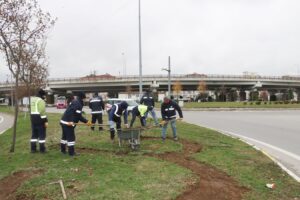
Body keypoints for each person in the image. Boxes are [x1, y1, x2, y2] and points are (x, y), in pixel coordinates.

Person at [60, 92, 91, 156]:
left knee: (64, 137)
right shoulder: (78, 104)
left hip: (63, 121)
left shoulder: (75, 101)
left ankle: (63, 150)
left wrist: (86, 121)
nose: (85, 100)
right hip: (68, 123)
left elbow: (77, 115)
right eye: (85, 98)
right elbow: (73, 114)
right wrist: (70, 121)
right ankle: (71, 153)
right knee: (71, 137)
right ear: (82, 98)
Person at [30, 89, 48, 153]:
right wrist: (46, 120)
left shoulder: (32, 99)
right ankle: (42, 149)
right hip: (39, 119)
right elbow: (42, 112)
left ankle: (33, 149)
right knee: (42, 134)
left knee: (34, 135)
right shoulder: (41, 101)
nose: (45, 97)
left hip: (32, 118)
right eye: (44, 96)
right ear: (42, 95)